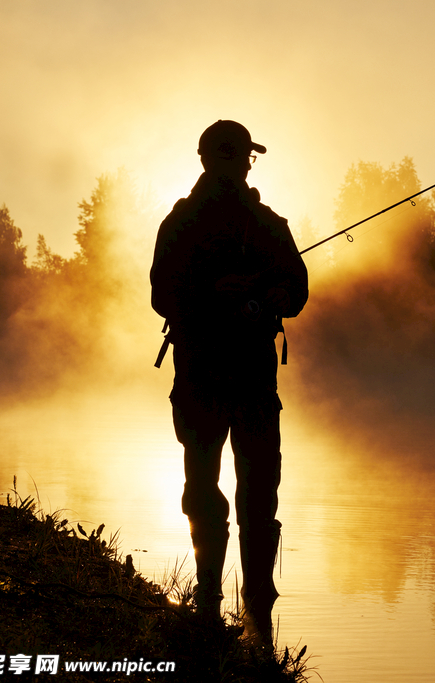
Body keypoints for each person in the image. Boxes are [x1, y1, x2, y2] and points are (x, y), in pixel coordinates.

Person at [150, 120, 309, 644]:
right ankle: (215, 602)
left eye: (243, 159)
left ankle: (253, 609)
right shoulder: (183, 223)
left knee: (253, 490)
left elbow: (297, 286)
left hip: (246, 381)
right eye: (236, 157)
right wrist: (215, 293)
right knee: (210, 488)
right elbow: (162, 296)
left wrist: (277, 296)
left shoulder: (265, 224)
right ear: (213, 160)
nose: (240, 166)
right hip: (205, 376)